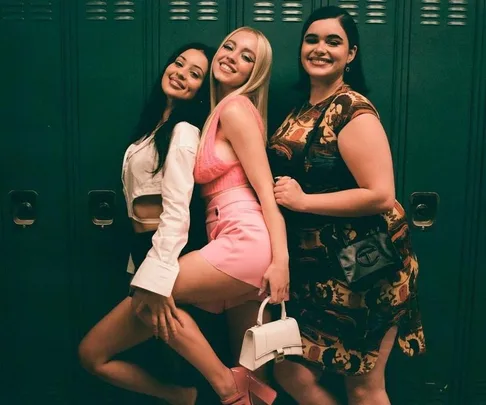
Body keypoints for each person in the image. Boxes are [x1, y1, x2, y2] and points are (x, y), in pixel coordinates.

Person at [81, 27, 289, 405]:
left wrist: (282, 260)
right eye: (229, 47)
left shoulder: (234, 108)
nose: (232, 57)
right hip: (230, 236)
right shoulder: (217, 115)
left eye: (247, 57)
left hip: (245, 240)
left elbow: (264, 192)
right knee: (252, 371)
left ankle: (224, 389)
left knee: (151, 293)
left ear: (255, 73)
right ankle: (237, 390)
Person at [267, 6, 426, 405]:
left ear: (351, 54)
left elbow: (381, 194)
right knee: (289, 370)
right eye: (312, 39)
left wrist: (303, 201)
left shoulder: (352, 109)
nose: (320, 48)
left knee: (364, 385)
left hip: (366, 266)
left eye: (333, 41)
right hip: (319, 272)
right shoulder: (301, 110)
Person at [79, 43, 214, 405]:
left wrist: (157, 274)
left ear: (202, 90)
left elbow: (177, 209)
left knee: (92, 354)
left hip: (164, 255)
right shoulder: (154, 127)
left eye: (195, 74)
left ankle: (198, 395)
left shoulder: (184, 131)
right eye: (179, 63)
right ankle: (186, 395)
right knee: (168, 358)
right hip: (143, 253)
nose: (181, 73)